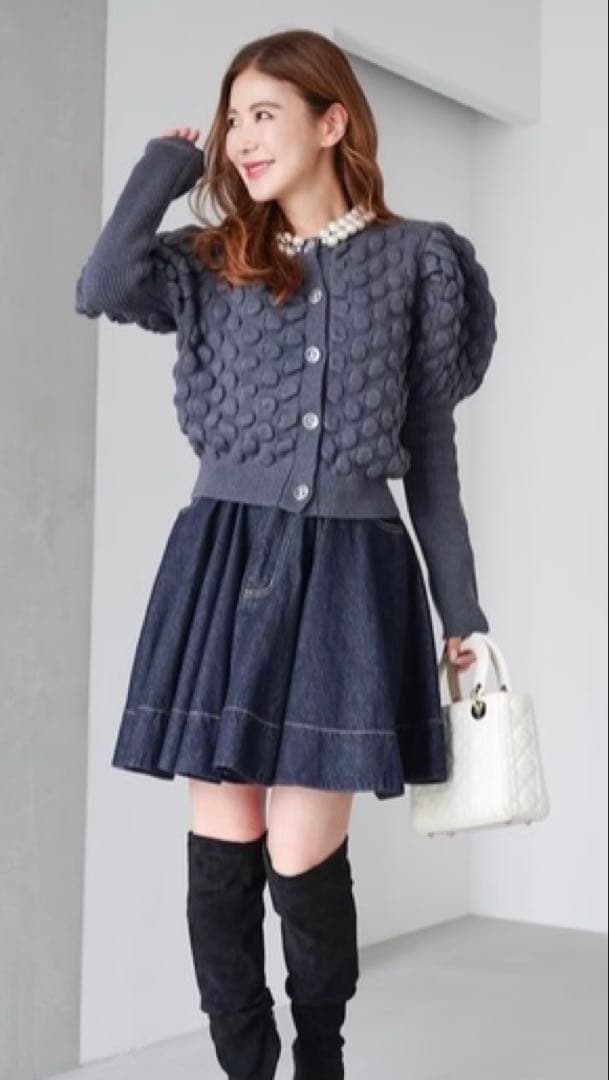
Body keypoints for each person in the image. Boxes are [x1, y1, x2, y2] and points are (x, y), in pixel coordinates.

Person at [74, 27, 497, 1080]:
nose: (244, 139)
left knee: (304, 854)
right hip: (224, 565)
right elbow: (101, 282)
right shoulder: (212, 260)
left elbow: (431, 457)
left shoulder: (418, 261)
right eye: (234, 120)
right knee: (222, 848)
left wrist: (463, 615)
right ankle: (246, 1067)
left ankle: (320, 1058)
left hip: (351, 576)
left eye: (265, 114)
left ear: (332, 121)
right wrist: (166, 168)